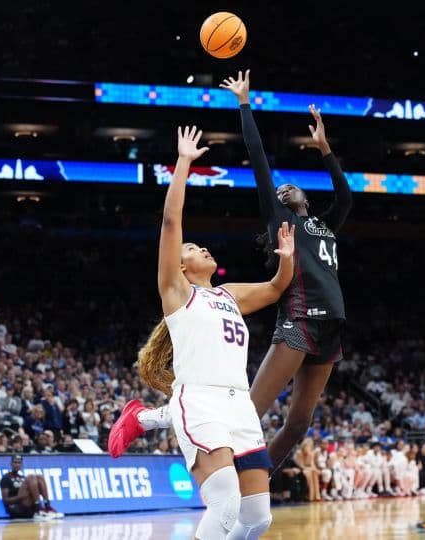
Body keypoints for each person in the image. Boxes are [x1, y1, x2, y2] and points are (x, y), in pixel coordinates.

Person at [110, 70, 353, 475]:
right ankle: (172, 436)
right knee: (246, 410)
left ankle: (258, 483)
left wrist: (326, 148)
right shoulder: (281, 222)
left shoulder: (327, 224)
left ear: (306, 197)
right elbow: (259, 159)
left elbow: (345, 195)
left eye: (289, 189)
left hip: (334, 326)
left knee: (298, 424)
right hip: (298, 319)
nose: (283, 190)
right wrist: (244, 103)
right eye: (279, 192)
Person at [133, 126, 295, 539]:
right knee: (224, 503)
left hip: (238, 403)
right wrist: (184, 162)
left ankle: (147, 419)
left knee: (257, 517)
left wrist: (288, 258)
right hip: (200, 399)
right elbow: (171, 222)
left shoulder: (228, 295)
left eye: (200, 245)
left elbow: (277, 287)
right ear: (182, 266)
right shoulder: (176, 291)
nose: (200, 248)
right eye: (191, 249)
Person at [0, 455, 62, 520]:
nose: (17, 465)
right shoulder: (6, 478)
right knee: (31, 477)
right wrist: (20, 497)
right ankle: (38, 509)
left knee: (39, 477)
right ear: (11, 464)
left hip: (29, 505)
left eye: (19, 463)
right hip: (17, 506)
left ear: (22, 464)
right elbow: (5, 500)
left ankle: (47, 506)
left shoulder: (22, 477)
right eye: (15, 462)